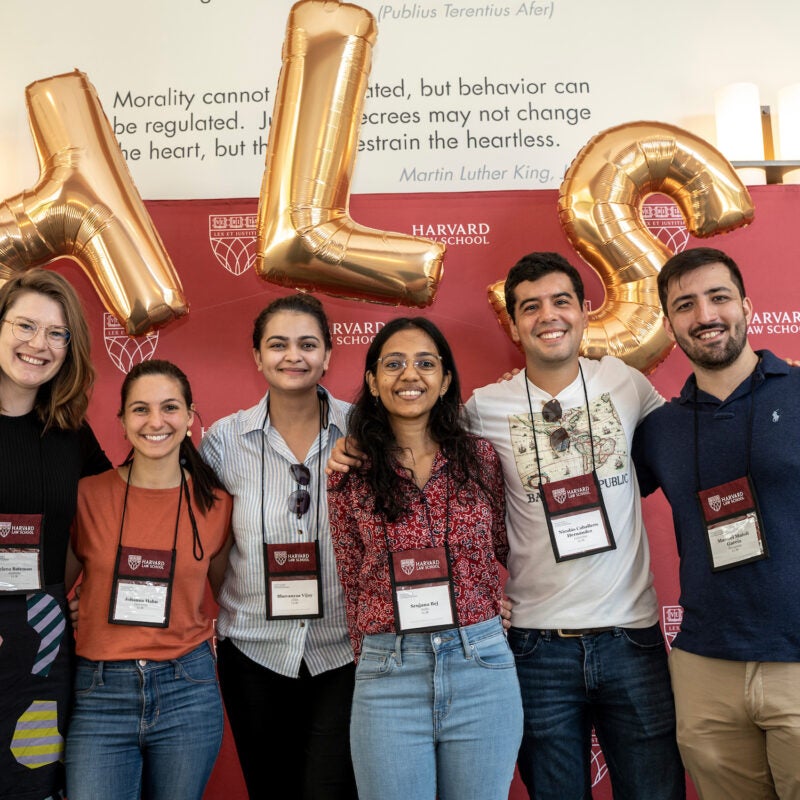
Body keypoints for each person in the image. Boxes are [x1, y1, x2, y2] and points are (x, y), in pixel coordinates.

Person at [329, 252, 685, 800]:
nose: (549, 316)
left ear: (585, 312)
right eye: (531, 307)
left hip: (631, 638)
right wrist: (351, 444)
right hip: (535, 647)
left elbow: (684, 442)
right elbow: (422, 441)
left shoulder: (626, 382)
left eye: (561, 301)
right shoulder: (482, 411)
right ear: (514, 323)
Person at [327, 316, 522, 800]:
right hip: (388, 671)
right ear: (372, 381)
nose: (409, 375)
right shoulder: (350, 469)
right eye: (393, 364)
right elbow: (352, 577)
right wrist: (373, 656)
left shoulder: (481, 457)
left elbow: (504, 543)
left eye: (425, 363)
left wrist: (491, 601)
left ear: (446, 379)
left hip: (481, 665)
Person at [632, 246, 800, 800]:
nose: (704, 315)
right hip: (705, 668)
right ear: (670, 323)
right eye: (685, 305)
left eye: (718, 297)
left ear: (748, 305)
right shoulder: (658, 429)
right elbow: (585, 505)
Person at [199, 293, 358, 799]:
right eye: (278, 344)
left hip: (345, 651)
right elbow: (214, 545)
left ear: (329, 355)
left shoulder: (364, 431)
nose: (294, 356)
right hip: (253, 652)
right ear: (257, 356)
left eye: (308, 344)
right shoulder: (224, 440)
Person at [64, 359, 232, 800]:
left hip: (187, 692)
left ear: (191, 416)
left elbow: (233, 594)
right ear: (121, 422)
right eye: (140, 409)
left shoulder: (216, 504)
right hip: (100, 694)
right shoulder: (87, 495)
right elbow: (50, 591)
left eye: (170, 407)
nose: (155, 421)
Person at [0, 268, 110, 800]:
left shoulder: (69, 431)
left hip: (41, 640)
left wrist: (93, 591)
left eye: (56, 333)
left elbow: (118, 506)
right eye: (25, 325)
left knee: (33, 781)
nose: (38, 344)